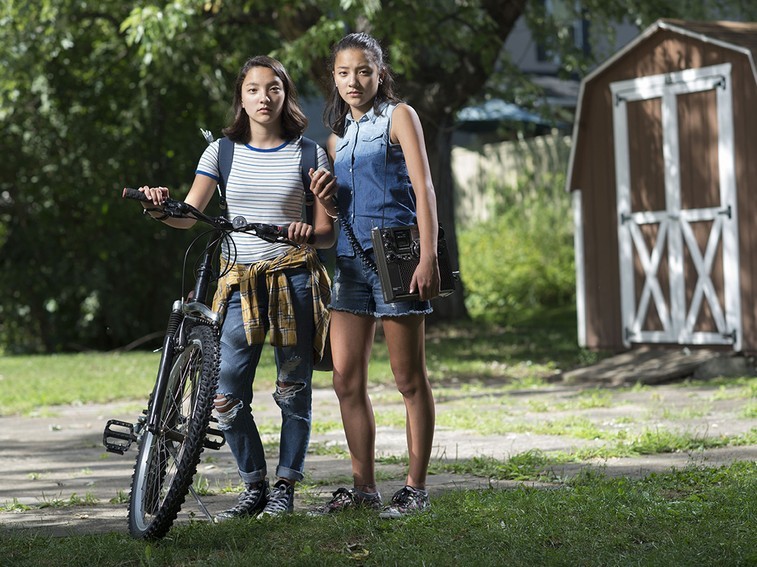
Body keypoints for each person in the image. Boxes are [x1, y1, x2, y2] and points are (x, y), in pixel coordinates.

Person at [137, 55, 336, 520]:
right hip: (238, 283)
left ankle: (285, 487)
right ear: (240, 97)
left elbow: (327, 232)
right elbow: (189, 214)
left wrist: (310, 233)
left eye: (273, 89)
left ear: (285, 94)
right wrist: (157, 207)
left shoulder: (309, 154)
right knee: (223, 395)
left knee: (293, 390)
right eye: (253, 89)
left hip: (294, 279)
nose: (263, 98)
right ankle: (254, 486)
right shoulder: (221, 152)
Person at [308, 32, 441, 518]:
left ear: (379, 73)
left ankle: (416, 488)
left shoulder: (399, 117)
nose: (353, 81)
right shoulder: (336, 139)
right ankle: (363, 488)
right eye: (343, 73)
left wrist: (427, 257)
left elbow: (424, 187)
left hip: (399, 256)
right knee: (346, 380)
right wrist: (323, 202)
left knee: (408, 378)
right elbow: (337, 214)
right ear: (334, 79)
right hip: (349, 262)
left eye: (363, 71)